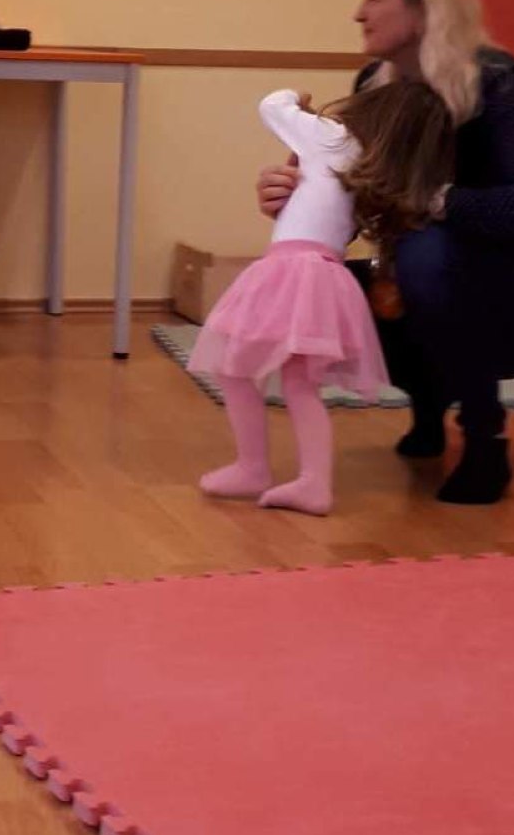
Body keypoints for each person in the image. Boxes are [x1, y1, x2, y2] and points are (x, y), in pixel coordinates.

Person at [258, 0, 514, 506]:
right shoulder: (373, 83)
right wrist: (297, 198)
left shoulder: (500, 85)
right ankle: (428, 403)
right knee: (326, 283)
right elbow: (356, 204)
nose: (358, 13)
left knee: (427, 253)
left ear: (423, 5)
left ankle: (485, 435)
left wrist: (431, 200)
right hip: (425, 281)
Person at [194, 79, 455, 515]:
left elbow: (271, 104)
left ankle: (258, 467)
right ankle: (300, 479)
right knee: (297, 381)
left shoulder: (332, 137)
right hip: (324, 274)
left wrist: (296, 99)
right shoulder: (387, 170)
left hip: (292, 269)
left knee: (234, 366)